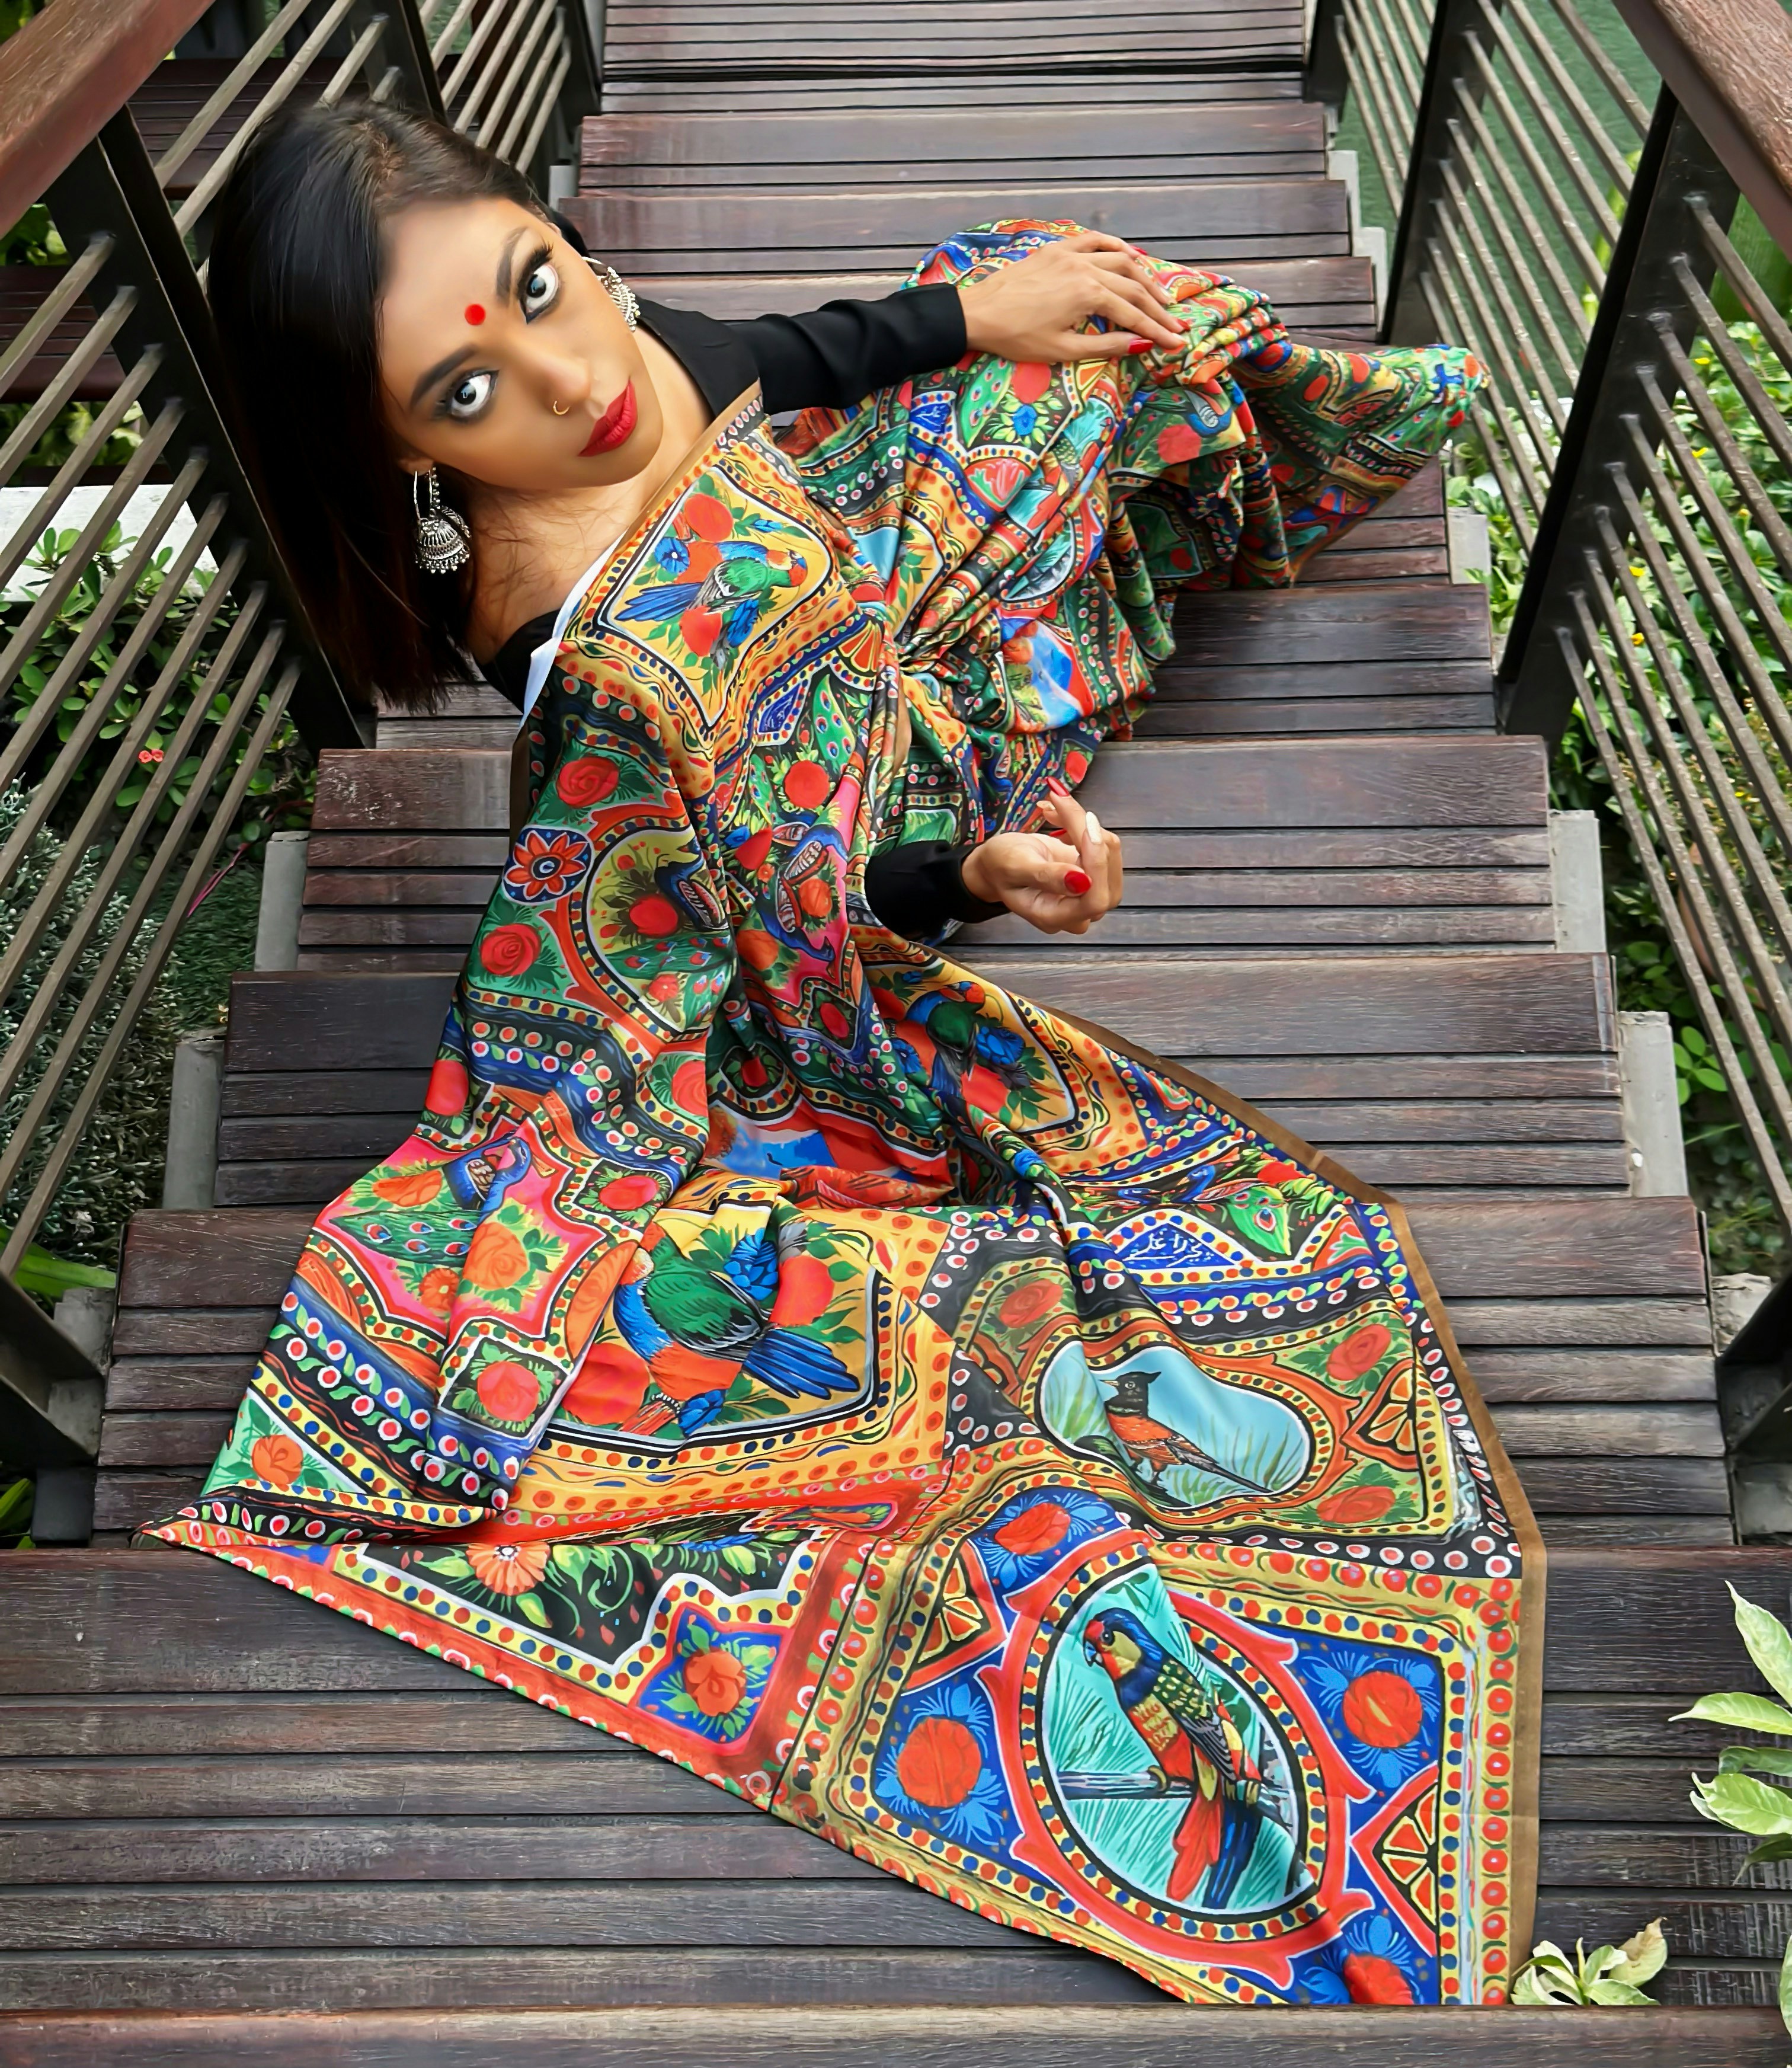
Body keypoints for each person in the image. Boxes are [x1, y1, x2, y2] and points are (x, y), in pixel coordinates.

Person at [153, 100, 1538, 2009]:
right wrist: (970, 870)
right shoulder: (587, 652)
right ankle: (1013, 700)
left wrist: (973, 322)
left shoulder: (624, 363)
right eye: (470, 389)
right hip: (835, 811)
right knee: (1040, 378)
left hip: (852, 627)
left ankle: (1031, 428)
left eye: (541, 288)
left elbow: (775, 362)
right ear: (401, 450)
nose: (574, 380)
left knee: (1051, 292)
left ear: (558, 238)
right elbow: (781, 908)